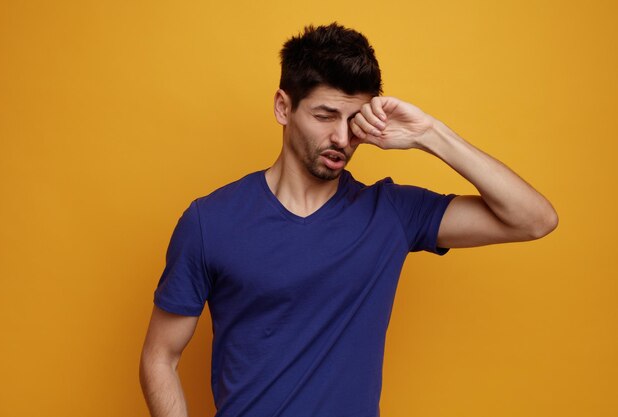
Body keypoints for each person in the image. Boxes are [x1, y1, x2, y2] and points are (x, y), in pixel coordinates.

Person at [139, 23, 558, 417]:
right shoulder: (209, 222)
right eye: (325, 116)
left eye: (354, 121)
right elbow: (160, 356)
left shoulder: (392, 213)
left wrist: (430, 134)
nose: (342, 138)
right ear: (284, 107)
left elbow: (533, 220)